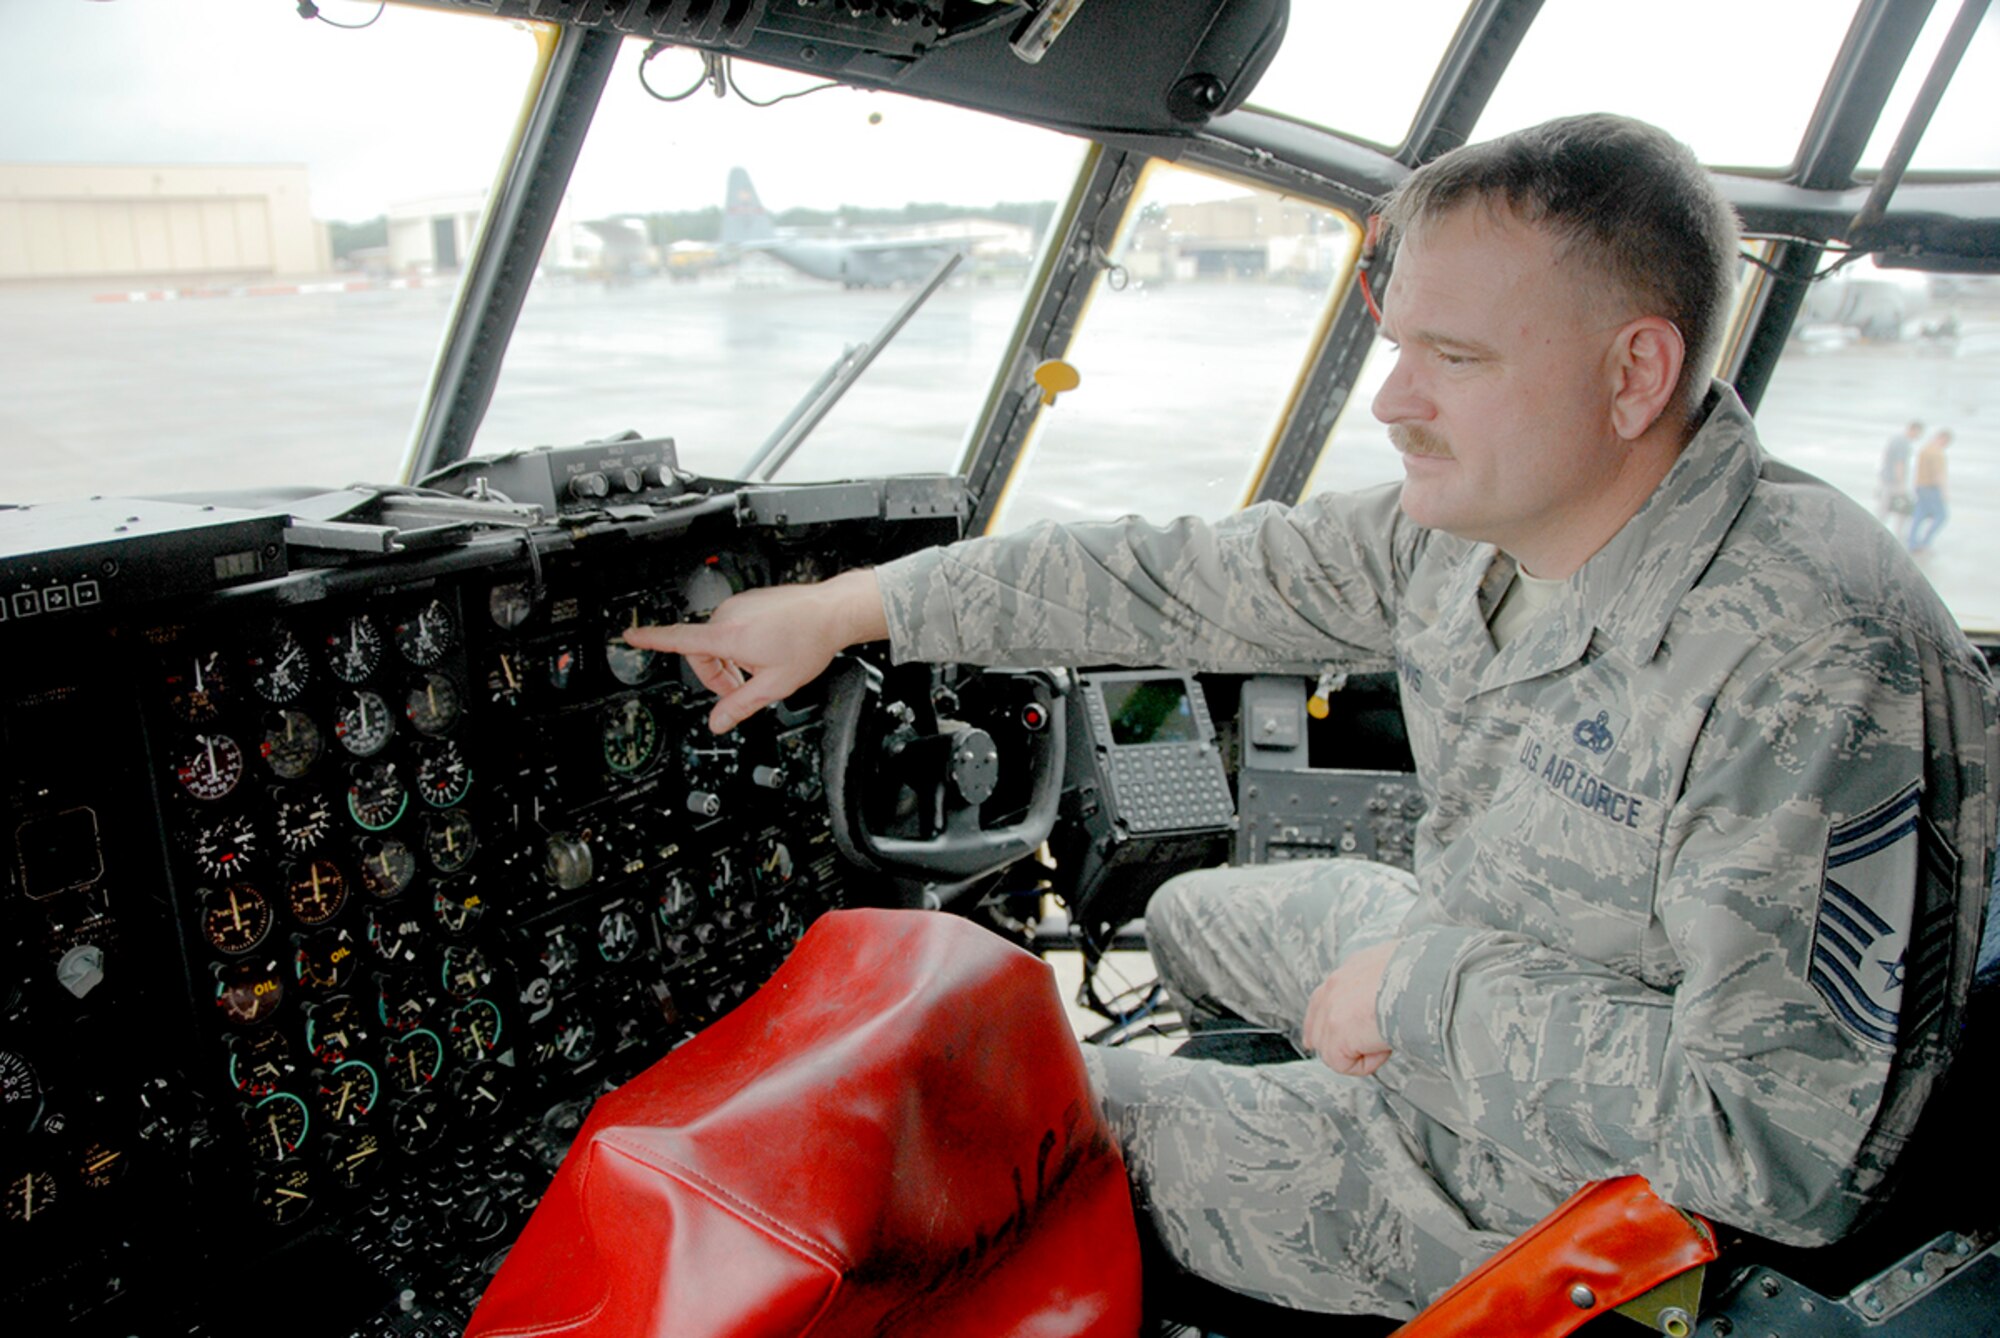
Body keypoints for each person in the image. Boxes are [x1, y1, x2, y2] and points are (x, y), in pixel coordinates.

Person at [627, 114, 1998, 1322]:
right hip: (1491, 958)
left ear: (1635, 374)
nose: (1396, 403)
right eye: (1398, 346)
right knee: (1187, 917)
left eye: (1451, 358)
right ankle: (1274, 1097)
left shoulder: (1810, 656)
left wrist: (1414, 995)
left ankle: (1252, 1201)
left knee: (1009, 1117)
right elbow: (1181, 576)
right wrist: (860, 605)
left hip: (1594, 1191)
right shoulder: (1478, 533)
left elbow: (1782, 1147)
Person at [1908, 427, 1953, 554]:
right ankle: (1925, 542)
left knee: (1919, 515)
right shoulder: (1937, 453)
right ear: (1942, 439)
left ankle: (1912, 542)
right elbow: (1939, 474)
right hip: (1931, 488)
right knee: (1942, 515)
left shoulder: (1925, 449)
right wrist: (1944, 492)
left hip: (1920, 486)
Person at [1878, 420, 1920, 536]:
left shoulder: (1895, 439)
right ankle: (1897, 534)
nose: (1917, 437)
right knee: (1902, 510)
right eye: (1917, 434)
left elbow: (1885, 456)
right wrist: (1901, 483)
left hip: (1886, 477)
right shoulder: (1904, 443)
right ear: (1913, 430)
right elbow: (1899, 463)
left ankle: (1879, 530)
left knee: (1884, 507)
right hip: (1894, 481)